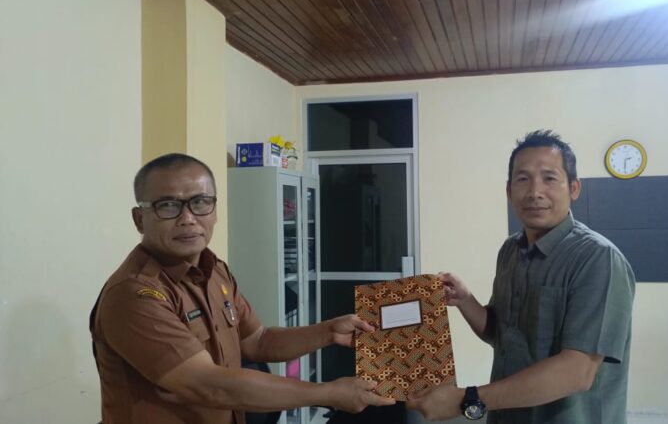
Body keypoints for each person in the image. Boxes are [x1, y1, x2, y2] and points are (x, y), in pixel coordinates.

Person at [90, 153, 394, 424]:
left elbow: (258, 341)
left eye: (200, 202)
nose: (188, 218)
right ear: (139, 219)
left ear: (214, 210)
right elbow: (209, 385)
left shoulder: (214, 271)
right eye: (168, 206)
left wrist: (328, 331)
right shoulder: (135, 294)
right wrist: (328, 393)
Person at [407, 130, 636, 423]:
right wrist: (465, 300)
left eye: (549, 178)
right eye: (523, 179)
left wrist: (468, 398)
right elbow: (501, 335)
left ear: (574, 188)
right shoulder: (510, 250)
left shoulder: (597, 258)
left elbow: (577, 371)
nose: (535, 192)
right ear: (509, 190)